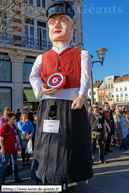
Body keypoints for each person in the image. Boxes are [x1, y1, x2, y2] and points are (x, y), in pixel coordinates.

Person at [29, 0, 93, 187]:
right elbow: (33, 76)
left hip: (71, 106)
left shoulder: (82, 54)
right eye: (52, 22)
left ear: (73, 26)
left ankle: (70, 176)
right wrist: (41, 88)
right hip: (48, 105)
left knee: (69, 143)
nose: (56, 25)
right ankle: (46, 175)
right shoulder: (41, 57)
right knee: (47, 143)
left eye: (63, 21)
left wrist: (81, 95)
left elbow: (85, 77)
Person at [0, 112, 22, 186]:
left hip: (14, 149)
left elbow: (16, 137)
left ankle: (16, 177)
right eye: (13, 118)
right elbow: (1, 139)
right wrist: (2, 148)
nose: (14, 119)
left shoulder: (14, 127)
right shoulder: (4, 127)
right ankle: (2, 181)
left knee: (15, 164)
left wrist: (19, 145)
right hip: (6, 150)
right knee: (4, 165)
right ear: (9, 119)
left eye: (15, 118)